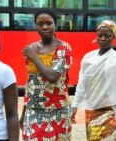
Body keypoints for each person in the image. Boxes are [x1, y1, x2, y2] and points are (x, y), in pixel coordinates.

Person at [71, 20, 116, 141]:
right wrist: (75, 105)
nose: (103, 39)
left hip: (112, 110)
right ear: (96, 36)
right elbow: (82, 84)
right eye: (100, 35)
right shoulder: (88, 57)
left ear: (113, 37)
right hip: (92, 109)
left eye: (107, 36)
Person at [20, 9, 73, 141]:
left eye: (49, 23)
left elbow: (53, 77)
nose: (44, 27)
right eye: (40, 23)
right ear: (36, 26)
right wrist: (23, 113)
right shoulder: (32, 47)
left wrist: (33, 56)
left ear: (55, 24)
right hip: (33, 111)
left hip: (58, 111)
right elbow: (30, 84)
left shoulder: (64, 48)